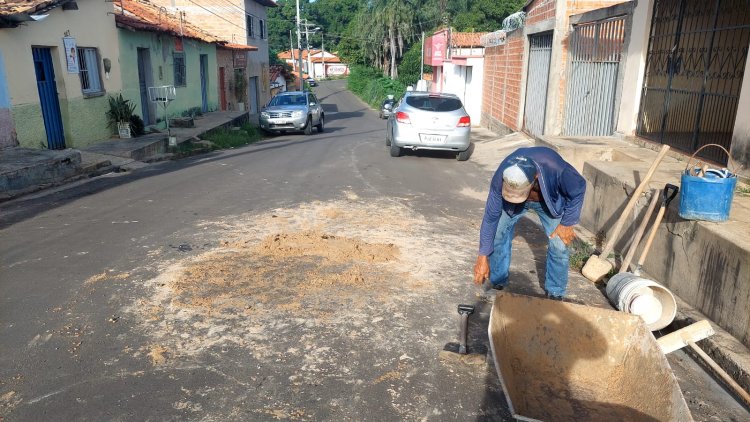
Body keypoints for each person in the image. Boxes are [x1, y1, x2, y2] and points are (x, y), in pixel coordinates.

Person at [472, 147, 586, 300]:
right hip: (514, 204)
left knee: (559, 244)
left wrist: (567, 223)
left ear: (535, 177)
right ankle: (499, 284)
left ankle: (555, 293)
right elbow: (490, 218)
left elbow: (579, 188)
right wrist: (482, 256)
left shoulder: (556, 168)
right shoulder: (501, 176)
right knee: (497, 234)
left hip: (547, 204)